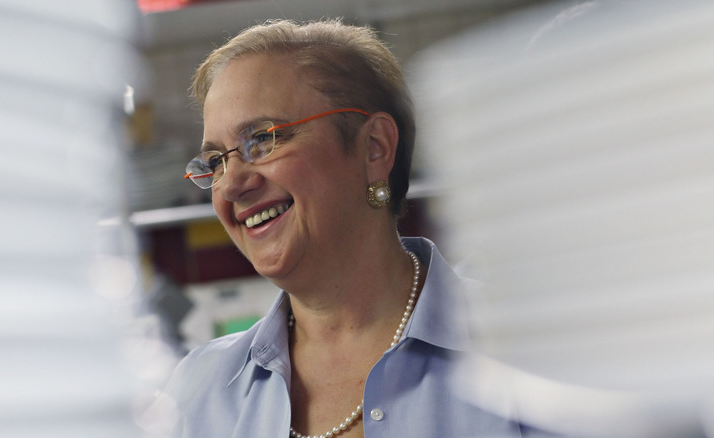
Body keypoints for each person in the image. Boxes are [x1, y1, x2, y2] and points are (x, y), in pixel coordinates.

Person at [149, 18, 532, 438]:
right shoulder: (198, 393)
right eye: (216, 162)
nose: (233, 185)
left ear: (374, 148)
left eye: (262, 139)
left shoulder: (523, 339)